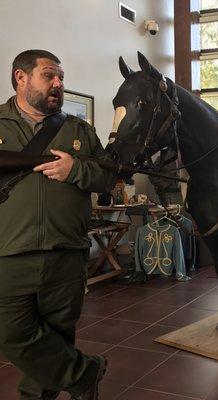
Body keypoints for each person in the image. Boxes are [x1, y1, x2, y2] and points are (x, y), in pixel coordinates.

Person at [0, 50, 116, 399]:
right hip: (9, 252)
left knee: (57, 334)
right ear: (21, 78)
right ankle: (85, 373)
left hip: (67, 252)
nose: (58, 83)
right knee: (10, 333)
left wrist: (75, 170)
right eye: (49, 75)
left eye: (61, 78)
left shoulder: (78, 130)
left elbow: (108, 179)